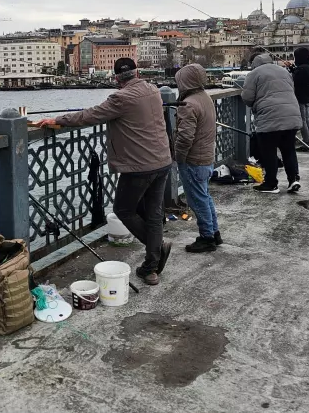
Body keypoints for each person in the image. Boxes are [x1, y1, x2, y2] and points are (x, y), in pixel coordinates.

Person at [34, 57, 172, 286]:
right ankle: (151, 267)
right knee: (153, 213)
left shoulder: (120, 97)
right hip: (162, 161)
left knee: (123, 209)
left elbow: (88, 115)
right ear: (137, 73)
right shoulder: (153, 90)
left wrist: (56, 120)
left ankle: (155, 252)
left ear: (117, 77)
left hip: (140, 167)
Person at [173, 63, 220, 253]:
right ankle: (214, 233)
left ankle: (206, 237)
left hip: (194, 160)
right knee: (205, 196)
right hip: (206, 157)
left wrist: (179, 157)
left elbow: (185, 137)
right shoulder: (205, 98)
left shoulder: (189, 104)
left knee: (197, 200)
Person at [242, 52, 302, 194]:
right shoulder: (284, 71)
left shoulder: (254, 74)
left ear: (253, 63)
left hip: (269, 118)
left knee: (268, 151)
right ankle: (293, 179)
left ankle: (271, 183)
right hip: (291, 114)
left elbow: (247, 98)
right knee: (288, 149)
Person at [289, 47, 309, 151]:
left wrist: (292, 69)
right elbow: (298, 73)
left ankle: (306, 143)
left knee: (302, 121)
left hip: (300, 97)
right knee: (307, 120)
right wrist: (293, 68)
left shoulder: (302, 69)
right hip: (307, 96)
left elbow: (295, 79)